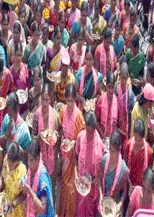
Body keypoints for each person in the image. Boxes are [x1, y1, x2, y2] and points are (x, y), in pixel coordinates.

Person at [59, 83, 85, 217]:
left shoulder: (79, 116)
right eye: (67, 101)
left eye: (72, 101)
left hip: (73, 157)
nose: (69, 104)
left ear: (75, 100)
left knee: (71, 189)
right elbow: (60, 128)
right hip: (64, 155)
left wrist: (73, 143)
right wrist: (63, 139)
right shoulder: (62, 111)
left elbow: (82, 137)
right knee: (63, 185)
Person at [75, 111, 105, 215]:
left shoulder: (99, 145)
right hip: (81, 185)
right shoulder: (80, 137)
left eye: (91, 132)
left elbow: (101, 169)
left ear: (95, 129)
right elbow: (76, 156)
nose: (89, 134)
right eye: (87, 131)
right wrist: (75, 174)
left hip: (91, 188)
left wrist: (94, 181)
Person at [22, 138, 55, 217]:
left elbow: (43, 209)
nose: (29, 163)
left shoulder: (43, 180)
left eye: (31, 160)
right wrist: (26, 201)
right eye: (28, 160)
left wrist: (30, 191)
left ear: (38, 159)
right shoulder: (31, 171)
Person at [0, 142, 27, 217]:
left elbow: (24, 195)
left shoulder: (22, 171)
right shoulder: (6, 159)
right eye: (9, 161)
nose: (9, 164)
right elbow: (2, 177)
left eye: (12, 163)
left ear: (18, 160)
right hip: (5, 205)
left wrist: (13, 203)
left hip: (16, 210)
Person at [99, 130, 129, 206]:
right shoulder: (104, 159)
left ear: (119, 149)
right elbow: (99, 180)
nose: (111, 154)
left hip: (114, 206)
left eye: (114, 151)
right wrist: (100, 195)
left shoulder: (124, 169)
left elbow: (124, 191)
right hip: (103, 203)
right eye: (110, 150)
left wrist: (120, 204)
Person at [125, 118, 153, 188]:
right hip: (127, 183)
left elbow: (147, 173)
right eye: (136, 139)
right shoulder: (128, 144)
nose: (138, 142)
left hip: (140, 186)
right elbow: (124, 165)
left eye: (140, 140)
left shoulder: (149, 152)